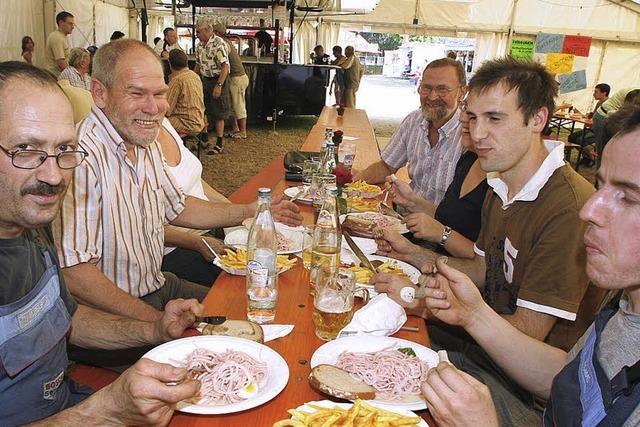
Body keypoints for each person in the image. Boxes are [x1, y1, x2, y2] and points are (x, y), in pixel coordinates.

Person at [374, 58, 598, 425]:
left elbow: (530, 331)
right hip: (484, 353)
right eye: (473, 117)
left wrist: (423, 303)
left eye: (494, 119)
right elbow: (483, 268)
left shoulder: (568, 207)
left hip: (536, 397)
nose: (478, 133)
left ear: (537, 120)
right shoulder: (501, 182)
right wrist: (415, 254)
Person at [0, 60, 203, 426]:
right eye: (26, 149)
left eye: (64, 149)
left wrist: (154, 328)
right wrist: (104, 411)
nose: (54, 175)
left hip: (68, 403)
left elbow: (68, 319)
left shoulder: (30, 227)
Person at [53, 39, 302, 324]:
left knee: (260, 309)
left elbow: (179, 205)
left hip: (158, 285)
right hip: (116, 314)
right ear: (99, 93)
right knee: (238, 332)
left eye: (159, 93)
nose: (153, 107)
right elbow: (74, 273)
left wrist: (254, 209)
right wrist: (155, 321)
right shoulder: (79, 159)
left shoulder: (141, 140)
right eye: (137, 93)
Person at [420, 106, 640, 426]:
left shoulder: (560, 203)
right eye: (602, 185)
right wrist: (473, 315)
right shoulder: (625, 306)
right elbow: (565, 376)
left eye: (629, 198)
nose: (589, 209)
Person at [354, 58, 466, 205]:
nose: (432, 97)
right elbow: (387, 166)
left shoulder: (469, 133)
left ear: (462, 92)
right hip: (406, 215)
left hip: (442, 225)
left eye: (442, 89)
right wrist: (354, 182)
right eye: (426, 88)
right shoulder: (414, 120)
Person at [389, 110, 488, 258]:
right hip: (438, 258)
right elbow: (448, 217)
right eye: (465, 109)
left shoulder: (502, 181)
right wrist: (411, 201)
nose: (462, 118)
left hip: (453, 270)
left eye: (494, 117)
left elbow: (486, 265)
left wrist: (441, 234)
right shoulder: (470, 159)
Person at [158, 118, 229, 285]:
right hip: (177, 249)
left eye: (159, 94)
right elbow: (146, 228)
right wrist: (199, 243)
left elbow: (195, 180)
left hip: (208, 228)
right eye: (138, 93)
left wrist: (234, 209)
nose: (156, 105)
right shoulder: (134, 143)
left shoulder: (164, 123)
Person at [194, 20, 231, 154]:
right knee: (203, 109)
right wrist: (192, 78)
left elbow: (225, 66)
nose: (196, 34)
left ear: (207, 30)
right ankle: (204, 139)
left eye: (198, 31)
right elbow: (198, 65)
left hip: (218, 79)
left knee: (218, 113)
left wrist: (219, 85)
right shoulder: (199, 45)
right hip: (205, 79)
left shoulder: (219, 43)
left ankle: (219, 143)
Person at [213, 22, 249, 139]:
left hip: (237, 78)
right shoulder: (226, 42)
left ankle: (242, 131)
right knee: (234, 104)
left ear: (217, 33)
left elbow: (223, 63)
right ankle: (236, 129)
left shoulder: (223, 44)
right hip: (238, 77)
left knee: (238, 105)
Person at [166, 49, 205, 145]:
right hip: (199, 120)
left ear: (170, 64)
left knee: (158, 123)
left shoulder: (177, 80)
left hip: (186, 123)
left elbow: (167, 110)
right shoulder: (195, 76)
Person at [567, 83, 611, 166]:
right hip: (592, 128)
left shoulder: (608, 105)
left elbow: (604, 121)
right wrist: (591, 114)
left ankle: (590, 158)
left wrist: (592, 120)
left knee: (580, 140)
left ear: (604, 93)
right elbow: (595, 116)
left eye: (596, 92)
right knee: (571, 137)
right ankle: (586, 157)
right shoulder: (599, 103)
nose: (594, 94)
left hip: (600, 131)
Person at [44, 11, 74, 77]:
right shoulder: (57, 37)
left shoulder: (63, 36)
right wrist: (73, 75)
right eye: (70, 24)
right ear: (61, 23)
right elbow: (61, 62)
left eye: (73, 24)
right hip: (55, 76)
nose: (73, 27)